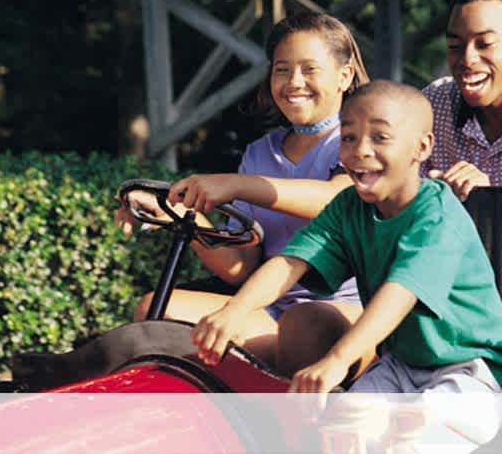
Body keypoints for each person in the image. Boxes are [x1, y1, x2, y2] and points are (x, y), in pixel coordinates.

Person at [194, 81, 502, 404]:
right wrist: (235, 311)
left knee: (412, 432)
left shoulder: (437, 216)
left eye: (380, 137)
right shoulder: (348, 207)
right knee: (340, 426)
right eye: (349, 138)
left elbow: (399, 293)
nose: (360, 151)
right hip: (400, 367)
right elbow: (290, 262)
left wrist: (338, 359)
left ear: (422, 148)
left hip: (471, 370)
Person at [118, 11, 370, 375]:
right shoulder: (258, 153)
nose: (293, 82)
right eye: (282, 70)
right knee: (153, 313)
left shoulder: (358, 140)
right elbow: (241, 268)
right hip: (270, 314)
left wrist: (234, 184)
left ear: (344, 76)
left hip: (341, 316)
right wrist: (184, 217)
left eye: (309, 69)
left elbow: (337, 200)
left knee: (305, 325)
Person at [423, 0, 502, 200]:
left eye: (484, 44)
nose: (467, 59)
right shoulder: (436, 104)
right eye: (454, 47)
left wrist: (490, 198)